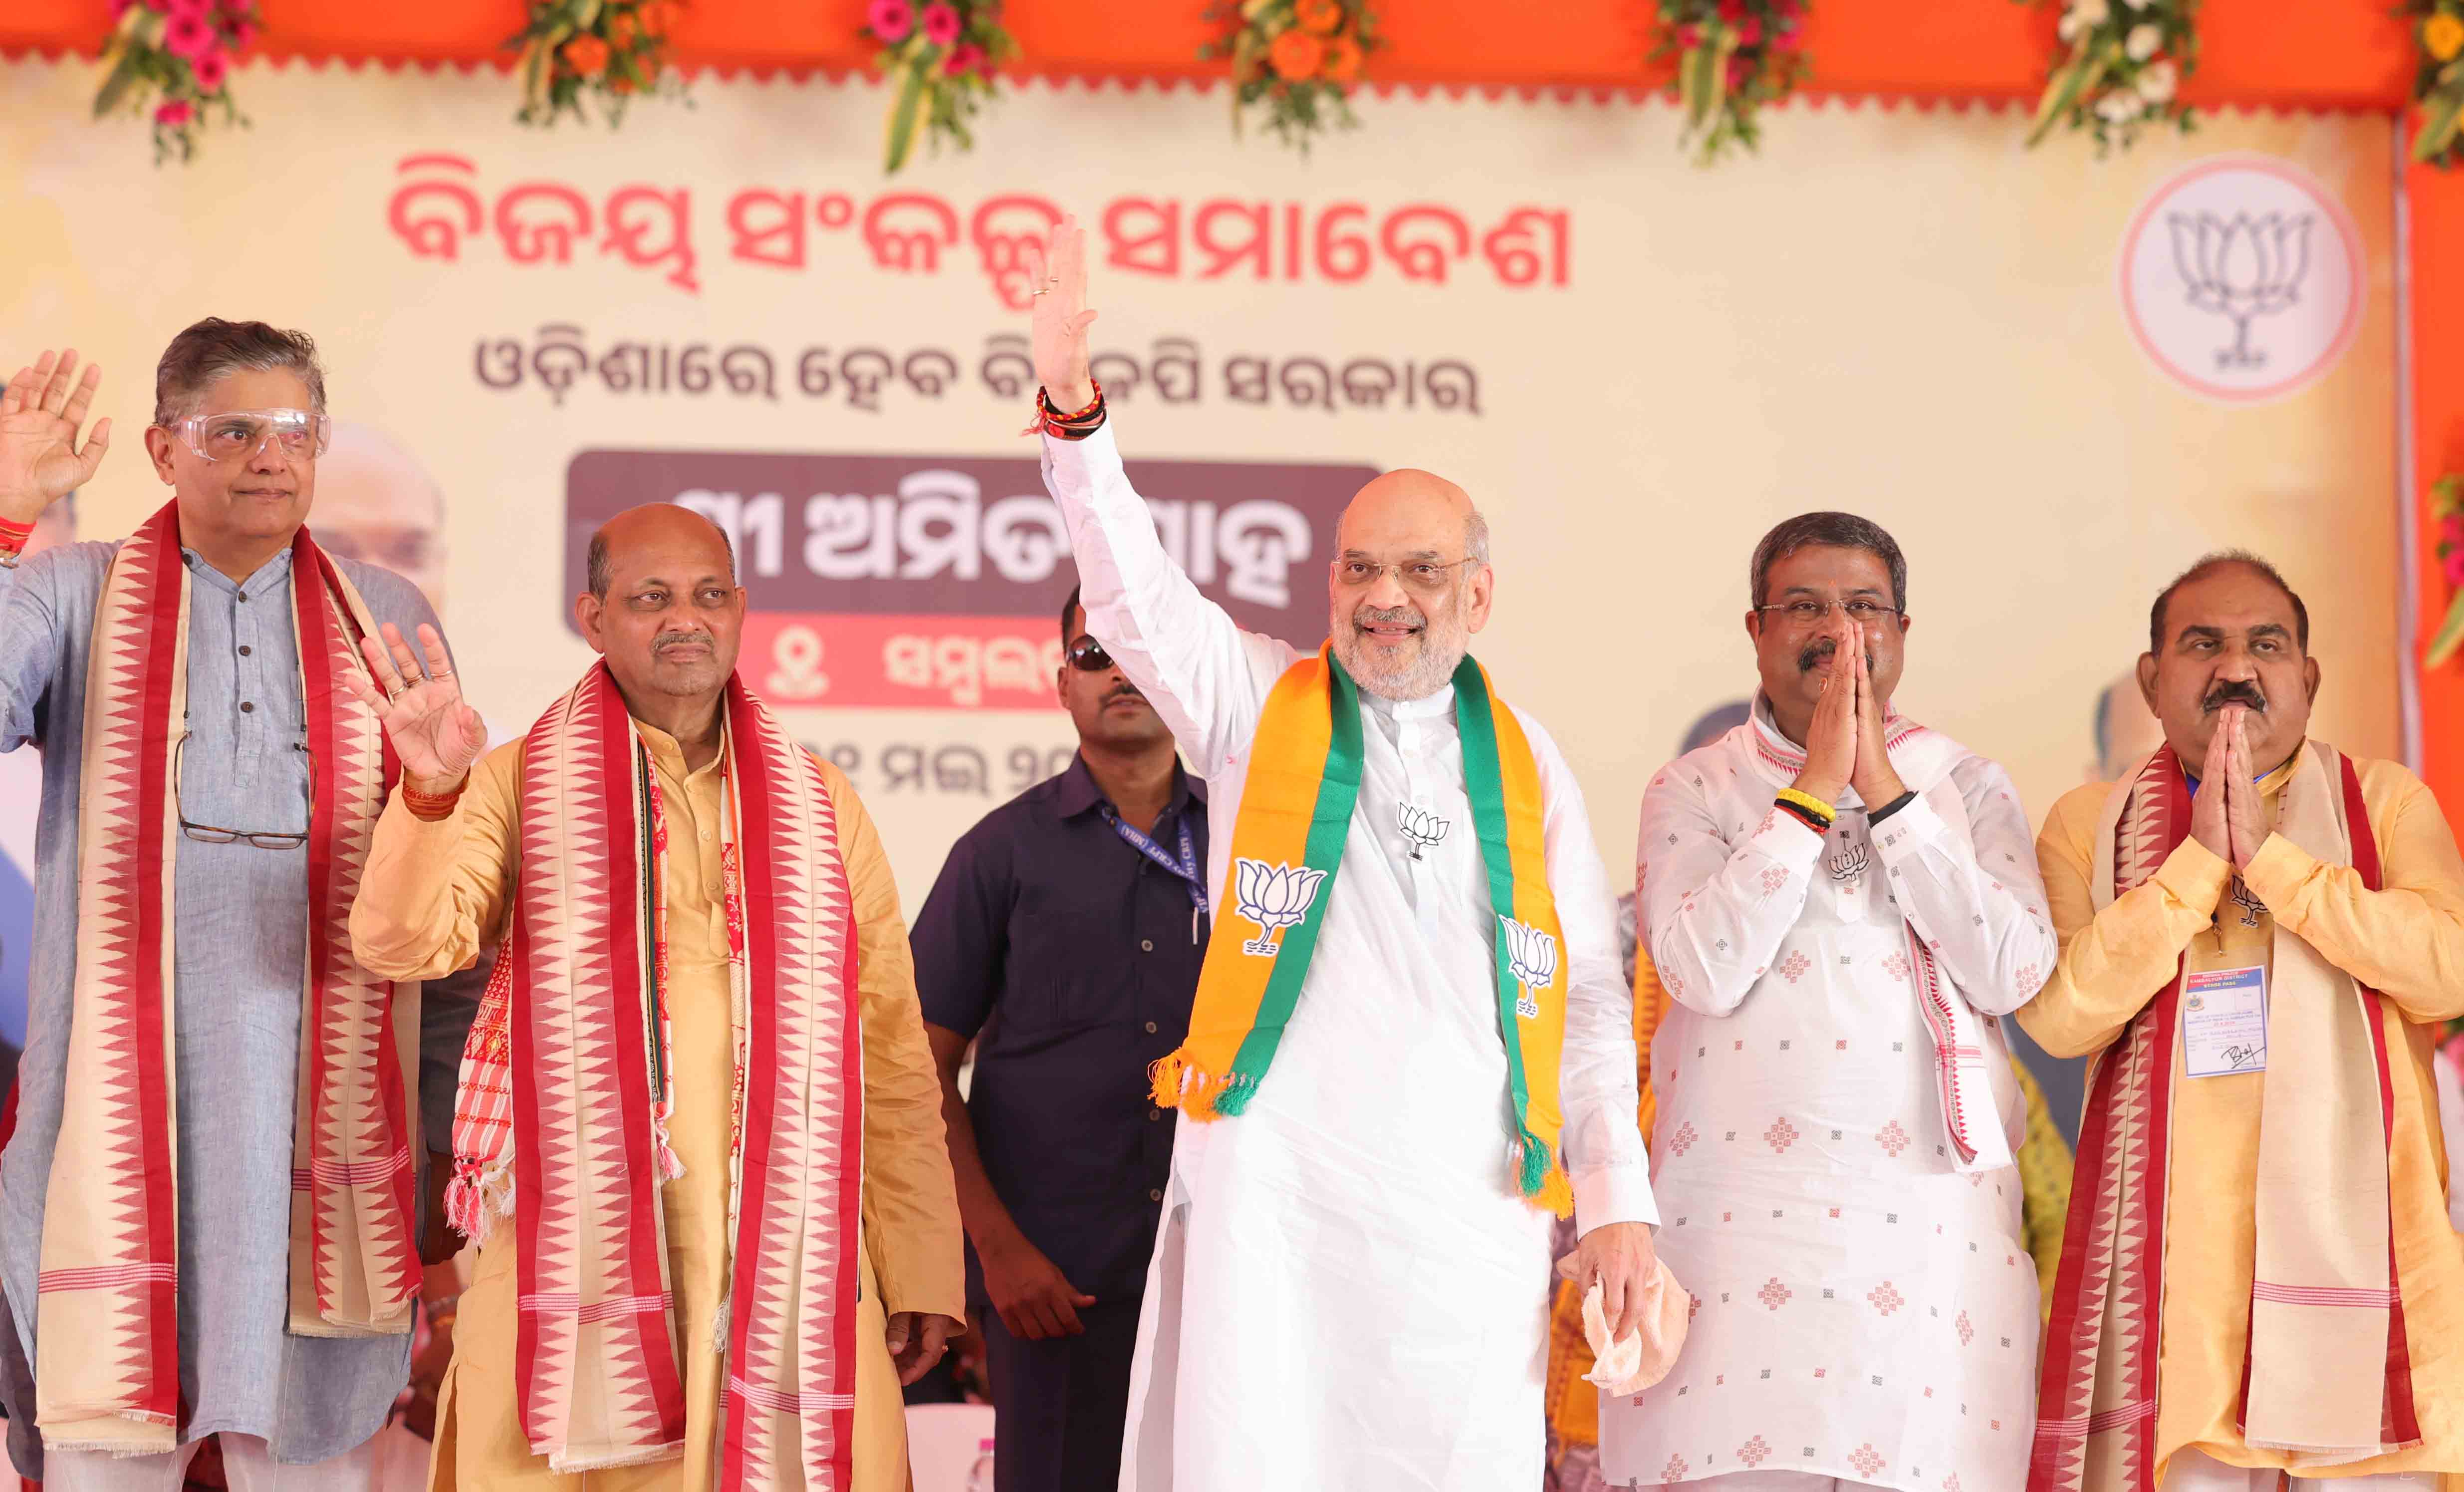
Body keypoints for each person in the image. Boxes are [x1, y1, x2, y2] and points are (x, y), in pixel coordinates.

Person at [1025, 217, 1657, 1491]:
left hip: (1465, 1219)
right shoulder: (1258, 702)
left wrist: (1617, 1202)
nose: (1388, 597)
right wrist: (1075, 414)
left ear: (1479, 596)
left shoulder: (1530, 766)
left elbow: (1587, 996)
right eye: (1363, 566)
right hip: (1282, 1210)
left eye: (1423, 570)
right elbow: (1134, 590)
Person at [345, 501, 965, 1490]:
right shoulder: (513, 783)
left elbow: (887, 1046)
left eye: (709, 594)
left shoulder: (821, 801)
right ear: (593, 618)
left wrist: (926, 1261)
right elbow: (407, 939)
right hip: (576, 1262)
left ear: (742, 610)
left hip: (794, 1264)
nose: (687, 618)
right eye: (652, 598)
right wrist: (427, 795)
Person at [0, 330, 473, 1490]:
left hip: (323, 1123)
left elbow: (446, 877)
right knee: (111, 1442)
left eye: (296, 431)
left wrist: (437, 789)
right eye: (234, 431)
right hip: (109, 1119)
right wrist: (4, 521)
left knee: (302, 1459)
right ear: (164, 450)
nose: (272, 457)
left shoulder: (386, 609)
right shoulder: (74, 589)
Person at [1603, 513, 2053, 1492]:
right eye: (1803, 605)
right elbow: (1700, 968)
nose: (1836, 629)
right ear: (1756, 630)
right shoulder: (1694, 787)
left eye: (1863, 607)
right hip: (1737, 1254)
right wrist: (1810, 791)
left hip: (1933, 1252)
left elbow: (2014, 970)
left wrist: (1888, 793)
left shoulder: (1967, 784)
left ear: (1902, 630)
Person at [2020, 552, 2464, 1492]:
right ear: (2151, 680)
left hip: (2371, 1289)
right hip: (2177, 1311)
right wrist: (2195, 867)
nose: (2236, 668)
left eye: (2266, 644)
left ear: (2306, 676)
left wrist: (2273, 865)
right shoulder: (2086, 826)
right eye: (2202, 645)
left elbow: (2445, 973)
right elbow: (2061, 1014)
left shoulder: (2384, 804)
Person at [911, 583, 1209, 1492]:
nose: (1119, 673)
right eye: (1093, 655)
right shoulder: (1000, 853)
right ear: (1060, 684)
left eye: (1142, 651)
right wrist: (996, 1252)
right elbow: (915, 1071)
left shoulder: (1254, 849)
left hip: (1224, 1279)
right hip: (1054, 1290)